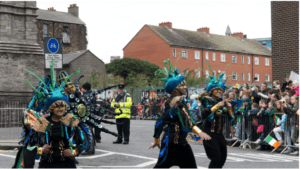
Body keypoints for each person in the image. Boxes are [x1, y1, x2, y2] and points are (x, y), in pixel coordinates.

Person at [13, 60, 87, 168]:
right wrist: (40, 150)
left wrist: (74, 152)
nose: (60, 109)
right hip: (47, 164)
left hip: (67, 164)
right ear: (51, 108)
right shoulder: (42, 121)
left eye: (62, 106)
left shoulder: (69, 120)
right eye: (57, 106)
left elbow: (82, 141)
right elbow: (31, 144)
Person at [149, 59, 211, 168]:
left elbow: (159, 123)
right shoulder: (178, 101)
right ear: (175, 88)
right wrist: (199, 132)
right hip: (178, 144)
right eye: (182, 85)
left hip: (167, 142)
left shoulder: (165, 103)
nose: (185, 87)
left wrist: (157, 139)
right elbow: (187, 119)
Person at [199, 62, 235, 168]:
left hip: (219, 134)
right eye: (216, 90)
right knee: (216, 157)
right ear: (211, 91)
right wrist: (216, 106)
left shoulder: (223, 102)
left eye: (220, 90)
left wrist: (229, 109)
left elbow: (231, 118)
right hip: (209, 133)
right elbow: (204, 114)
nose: (219, 92)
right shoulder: (207, 101)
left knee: (222, 157)